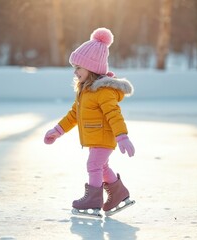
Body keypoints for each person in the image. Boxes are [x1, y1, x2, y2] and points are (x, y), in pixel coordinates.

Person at [44, 27, 135, 218]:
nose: (75, 72)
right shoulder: (85, 92)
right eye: (74, 68)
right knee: (101, 167)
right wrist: (57, 130)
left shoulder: (103, 91)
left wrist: (122, 136)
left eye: (78, 67)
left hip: (104, 138)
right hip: (96, 139)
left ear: (91, 68)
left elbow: (114, 114)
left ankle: (93, 200)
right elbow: (73, 115)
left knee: (93, 165)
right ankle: (119, 193)